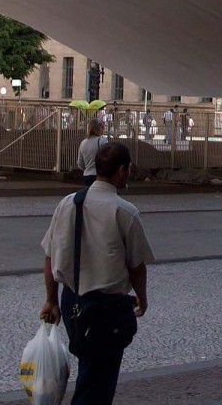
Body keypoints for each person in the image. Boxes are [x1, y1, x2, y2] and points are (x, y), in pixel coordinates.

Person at [40, 143, 153, 405]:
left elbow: (49, 256)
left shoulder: (68, 203)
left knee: (90, 369)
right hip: (107, 308)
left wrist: (51, 300)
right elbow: (137, 265)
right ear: (122, 171)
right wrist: (142, 297)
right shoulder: (124, 211)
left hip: (72, 303)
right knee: (98, 382)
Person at [78, 119, 108, 187]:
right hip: (99, 175)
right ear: (98, 128)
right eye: (102, 127)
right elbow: (107, 158)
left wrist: (87, 168)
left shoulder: (83, 143)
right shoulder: (102, 141)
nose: (104, 129)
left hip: (87, 175)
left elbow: (80, 163)